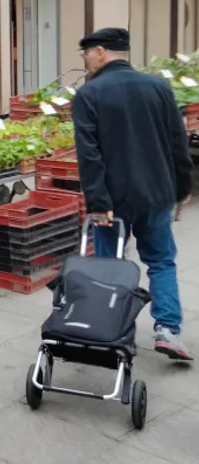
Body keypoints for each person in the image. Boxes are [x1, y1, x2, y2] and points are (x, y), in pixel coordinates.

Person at [73, 27, 193, 361]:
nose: (85, 61)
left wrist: (97, 202)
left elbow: (89, 154)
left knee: (110, 265)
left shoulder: (90, 94)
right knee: (161, 260)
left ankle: (114, 331)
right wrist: (183, 186)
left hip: (112, 200)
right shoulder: (158, 86)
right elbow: (177, 142)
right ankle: (168, 330)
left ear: (99, 51)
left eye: (86, 54)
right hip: (157, 193)